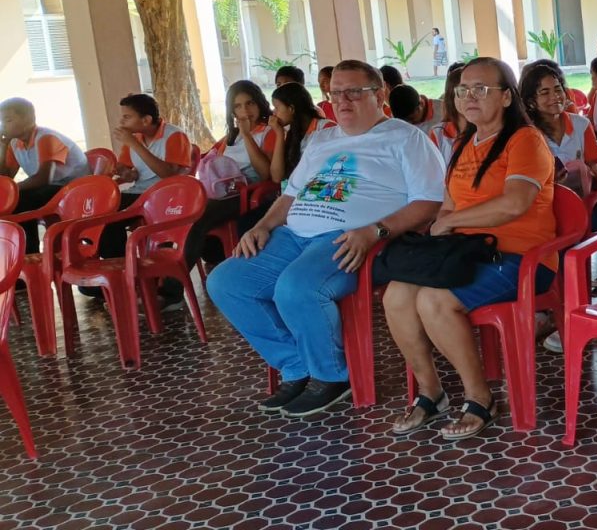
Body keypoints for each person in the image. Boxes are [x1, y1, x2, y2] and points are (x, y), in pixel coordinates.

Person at [208, 59, 447, 418]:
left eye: (354, 92)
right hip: (293, 234)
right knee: (226, 282)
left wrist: (375, 230)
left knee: (295, 288)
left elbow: (429, 201)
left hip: (354, 238)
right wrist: (263, 226)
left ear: (379, 94)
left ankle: (331, 375)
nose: (342, 101)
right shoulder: (322, 139)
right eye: (335, 93)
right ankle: (296, 365)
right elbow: (290, 195)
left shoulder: (405, 137)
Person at [381, 57, 556, 438]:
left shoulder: (526, 140)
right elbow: (447, 205)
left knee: (434, 300)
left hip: (522, 258)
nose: (469, 96)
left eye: (481, 89)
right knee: (395, 295)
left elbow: (515, 203)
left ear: (507, 97)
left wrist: (453, 222)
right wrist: (444, 224)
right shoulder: (463, 143)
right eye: (463, 90)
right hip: (468, 252)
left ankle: (481, 398)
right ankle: (431, 392)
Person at [98, 94, 193, 307]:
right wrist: (125, 172)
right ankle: (125, 279)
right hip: (141, 193)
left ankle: (155, 288)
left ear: (146, 120)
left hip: (168, 196)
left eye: (127, 117)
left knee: (112, 219)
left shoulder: (174, 136)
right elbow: (130, 170)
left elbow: (170, 175)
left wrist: (134, 144)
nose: (122, 122)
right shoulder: (134, 138)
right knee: (104, 219)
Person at [189, 81, 278, 267]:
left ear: (259, 103)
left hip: (248, 193)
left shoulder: (268, 132)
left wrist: (247, 136)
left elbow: (265, 174)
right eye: (238, 106)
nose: (245, 110)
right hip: (222, 192)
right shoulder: (230, 137)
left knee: (200, 216)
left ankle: (171, 287)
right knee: (187, 211)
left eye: (250, 103)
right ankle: (207, 256)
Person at [0, 97, 89, 253]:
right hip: (51, 186)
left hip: (73, 187)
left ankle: (29, 252)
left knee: (21, 201)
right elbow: (5, 178)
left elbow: (43, 178)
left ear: (28, 119)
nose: (3, 126)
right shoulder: (15, 143)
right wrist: (2, 146)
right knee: (14, 199)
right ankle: (19, 252)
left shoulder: (45, 137)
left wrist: (13, 190)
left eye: (8, 120)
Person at [521, 63, 597, 198]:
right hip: (544, 201)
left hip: (581, 199)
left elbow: (592, 162)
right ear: (531, 102)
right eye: (545, 92)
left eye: (558, 89)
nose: (555, 97)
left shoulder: (582, 125)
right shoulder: (527, 134)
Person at [269, 82, 335, 184]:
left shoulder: (326, 128)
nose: (274, 113)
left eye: (276, 108)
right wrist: (279, 134)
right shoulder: (291, 131)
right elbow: (277, 177)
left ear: (291, 109)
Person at [428, 63, 468, 164]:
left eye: (478, 90)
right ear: (451, 96)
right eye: (462, 91)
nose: (471, 97)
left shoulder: (491, 130)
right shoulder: (439, 134)